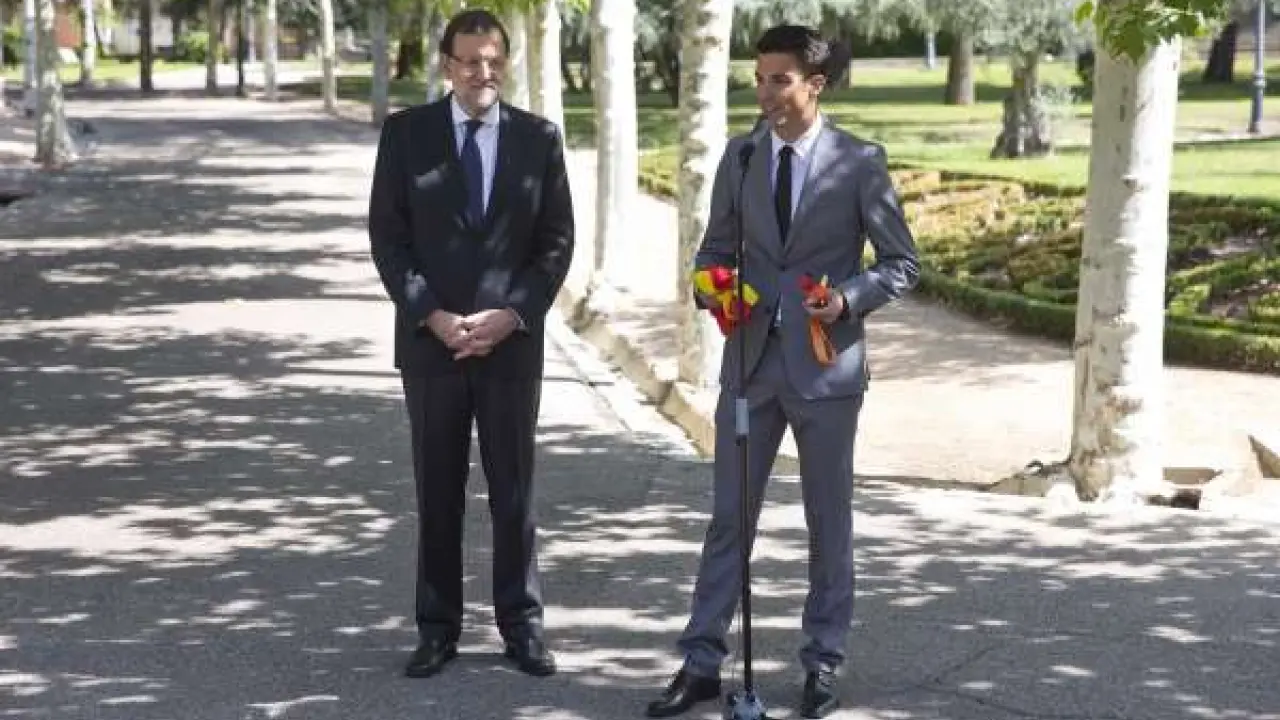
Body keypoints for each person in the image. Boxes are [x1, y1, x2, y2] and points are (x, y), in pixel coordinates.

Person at [644, 24, 920, 719]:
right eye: (759, 78)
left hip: (826, 373)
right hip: (750, 369)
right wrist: (714, 288)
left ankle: (822, 662)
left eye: (779, 79)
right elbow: (713, 252)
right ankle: (701, 662)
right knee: (728, 520)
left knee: (828, 522)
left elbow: (901, 264)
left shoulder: (860, 162)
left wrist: (846, 299)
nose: (764, 92)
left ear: (814, 85)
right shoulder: (739, 157)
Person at [367, 8, 574, 680]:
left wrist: (512, 315)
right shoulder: (407, 135)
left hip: (510, 347)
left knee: (515, 495)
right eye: (470, 61)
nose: (483, 72)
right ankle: (437, 629)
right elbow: (389, 238)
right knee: (438, 493)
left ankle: (523, 627)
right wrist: (431, 314)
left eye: (494, 61)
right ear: (447, 66)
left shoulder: (539, 139)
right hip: (432, 347)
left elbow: (556, 242)